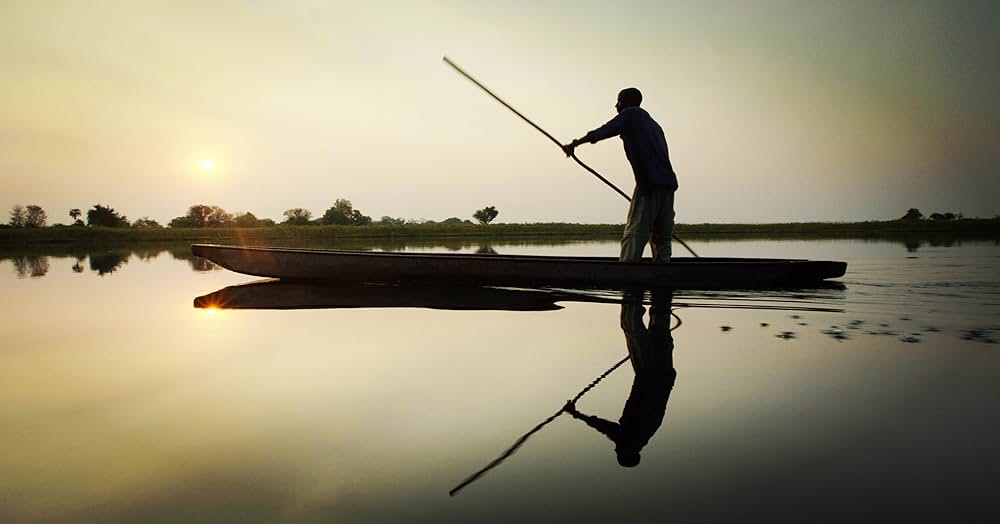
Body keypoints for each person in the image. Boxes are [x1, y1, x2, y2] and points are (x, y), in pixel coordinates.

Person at [562, 88, 678, 262]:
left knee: (635, 232)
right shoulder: (654, 125)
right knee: (662, 236)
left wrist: (575, 144)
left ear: (627, 102)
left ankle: (627, 271)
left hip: (650, 183)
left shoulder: (631, 114)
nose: (616, 105)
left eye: (619, 101)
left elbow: (605, 130)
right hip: (668, 184)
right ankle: (663, 271)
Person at [563, 291, 676, 467]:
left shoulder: (645, 434)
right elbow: (607, 429)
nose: (616, 449)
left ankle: (662, 284)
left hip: (664, 373)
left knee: (659, 322)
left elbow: (611, 432)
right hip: (650, 374)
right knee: (630, 326)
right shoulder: (632, 440)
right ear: (627, 453)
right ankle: (632, 290)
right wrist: (578, 415)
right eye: (618, 452)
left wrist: (580, 416)